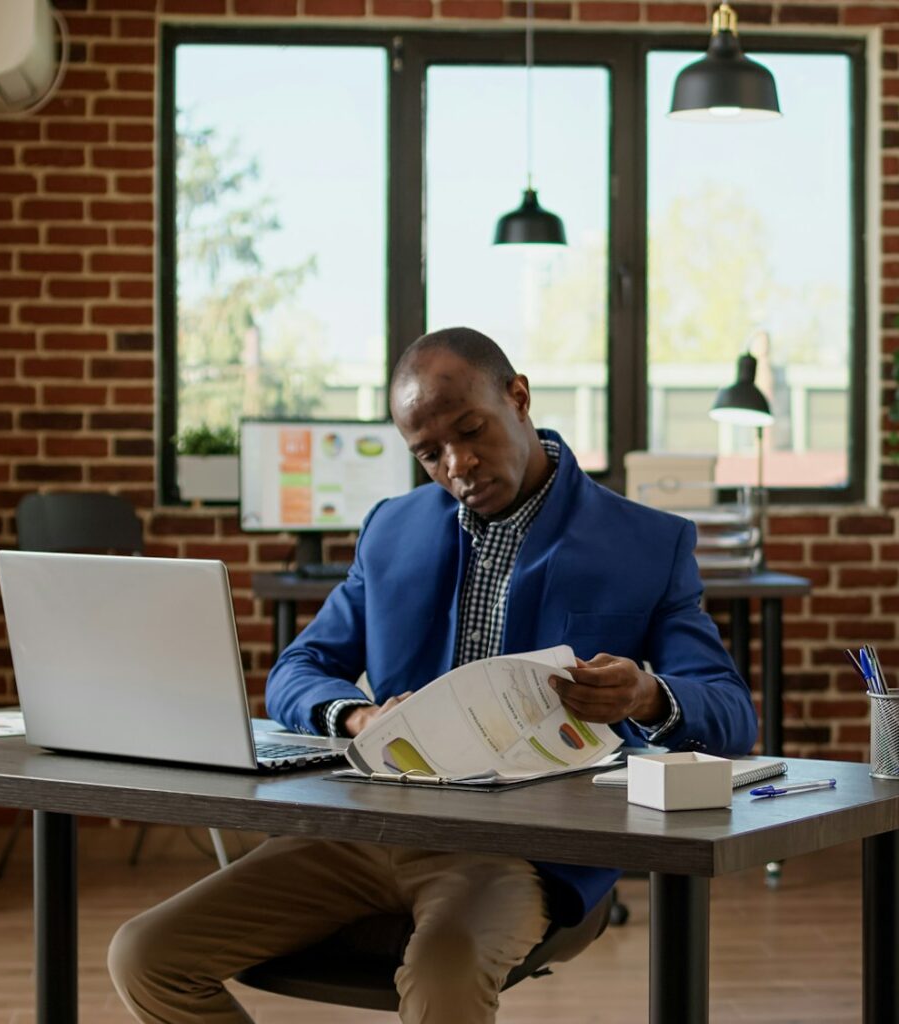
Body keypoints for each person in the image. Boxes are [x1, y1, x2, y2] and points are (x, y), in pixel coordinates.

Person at [108, 327, 757, 1024]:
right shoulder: (391, 529)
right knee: (144, 954)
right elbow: (300, 668)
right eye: (429, 453)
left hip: (519, 852)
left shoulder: (647, 543)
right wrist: (356, 717)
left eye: (471, 430)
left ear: (519, 396)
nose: (459, 464)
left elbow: (730, 714)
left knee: (444, 970)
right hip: (366, 830)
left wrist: (646, 693)